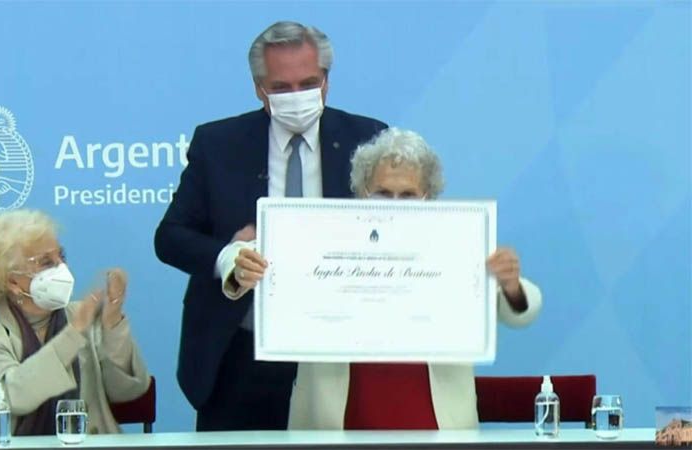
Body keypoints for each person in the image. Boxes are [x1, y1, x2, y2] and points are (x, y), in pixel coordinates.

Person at [154, 21, 387, 431]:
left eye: (308, 83)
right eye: (281, 88)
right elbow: (170, 237)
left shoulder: (368, 138)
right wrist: (226, 255)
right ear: (259, 88)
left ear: (327, 82)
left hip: (339, 355)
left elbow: (399, 230)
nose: (297, 97)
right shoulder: (218, 143)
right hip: (241, 355)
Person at [282, 127, 544, 430]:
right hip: (337, 415)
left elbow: (523, 311)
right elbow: (287, 293)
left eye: (407, 194)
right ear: (362, 192)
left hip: (434, 418)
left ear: (427, 196)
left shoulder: (455, 245)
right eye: (382, 193)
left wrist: (510, 286)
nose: (395, 202)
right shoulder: (325, 240)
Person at [0, 209, 150, 435]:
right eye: (46, 262)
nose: (62, 268)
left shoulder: (84, 315)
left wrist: (112, 323)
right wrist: (74, 333)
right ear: (13, 282)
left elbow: (128, 390)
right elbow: (13, 397)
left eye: (62, 257)